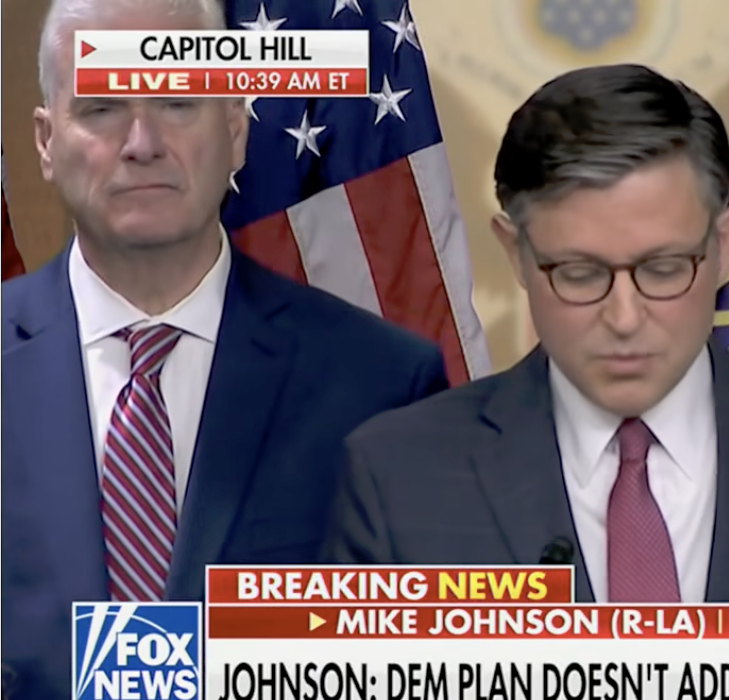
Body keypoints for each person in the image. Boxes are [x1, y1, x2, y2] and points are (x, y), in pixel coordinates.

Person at [322, 64, 729, 604]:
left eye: (663, 269)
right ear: (516, 253)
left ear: (725, 245)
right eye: (579, 274)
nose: (625, 317)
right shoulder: (400, 479)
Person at [1, 0, 449, 696]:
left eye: (178, 103)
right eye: (101, 108)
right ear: (46, 141)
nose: (142, 142)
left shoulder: (384, 384)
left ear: (236, 129)